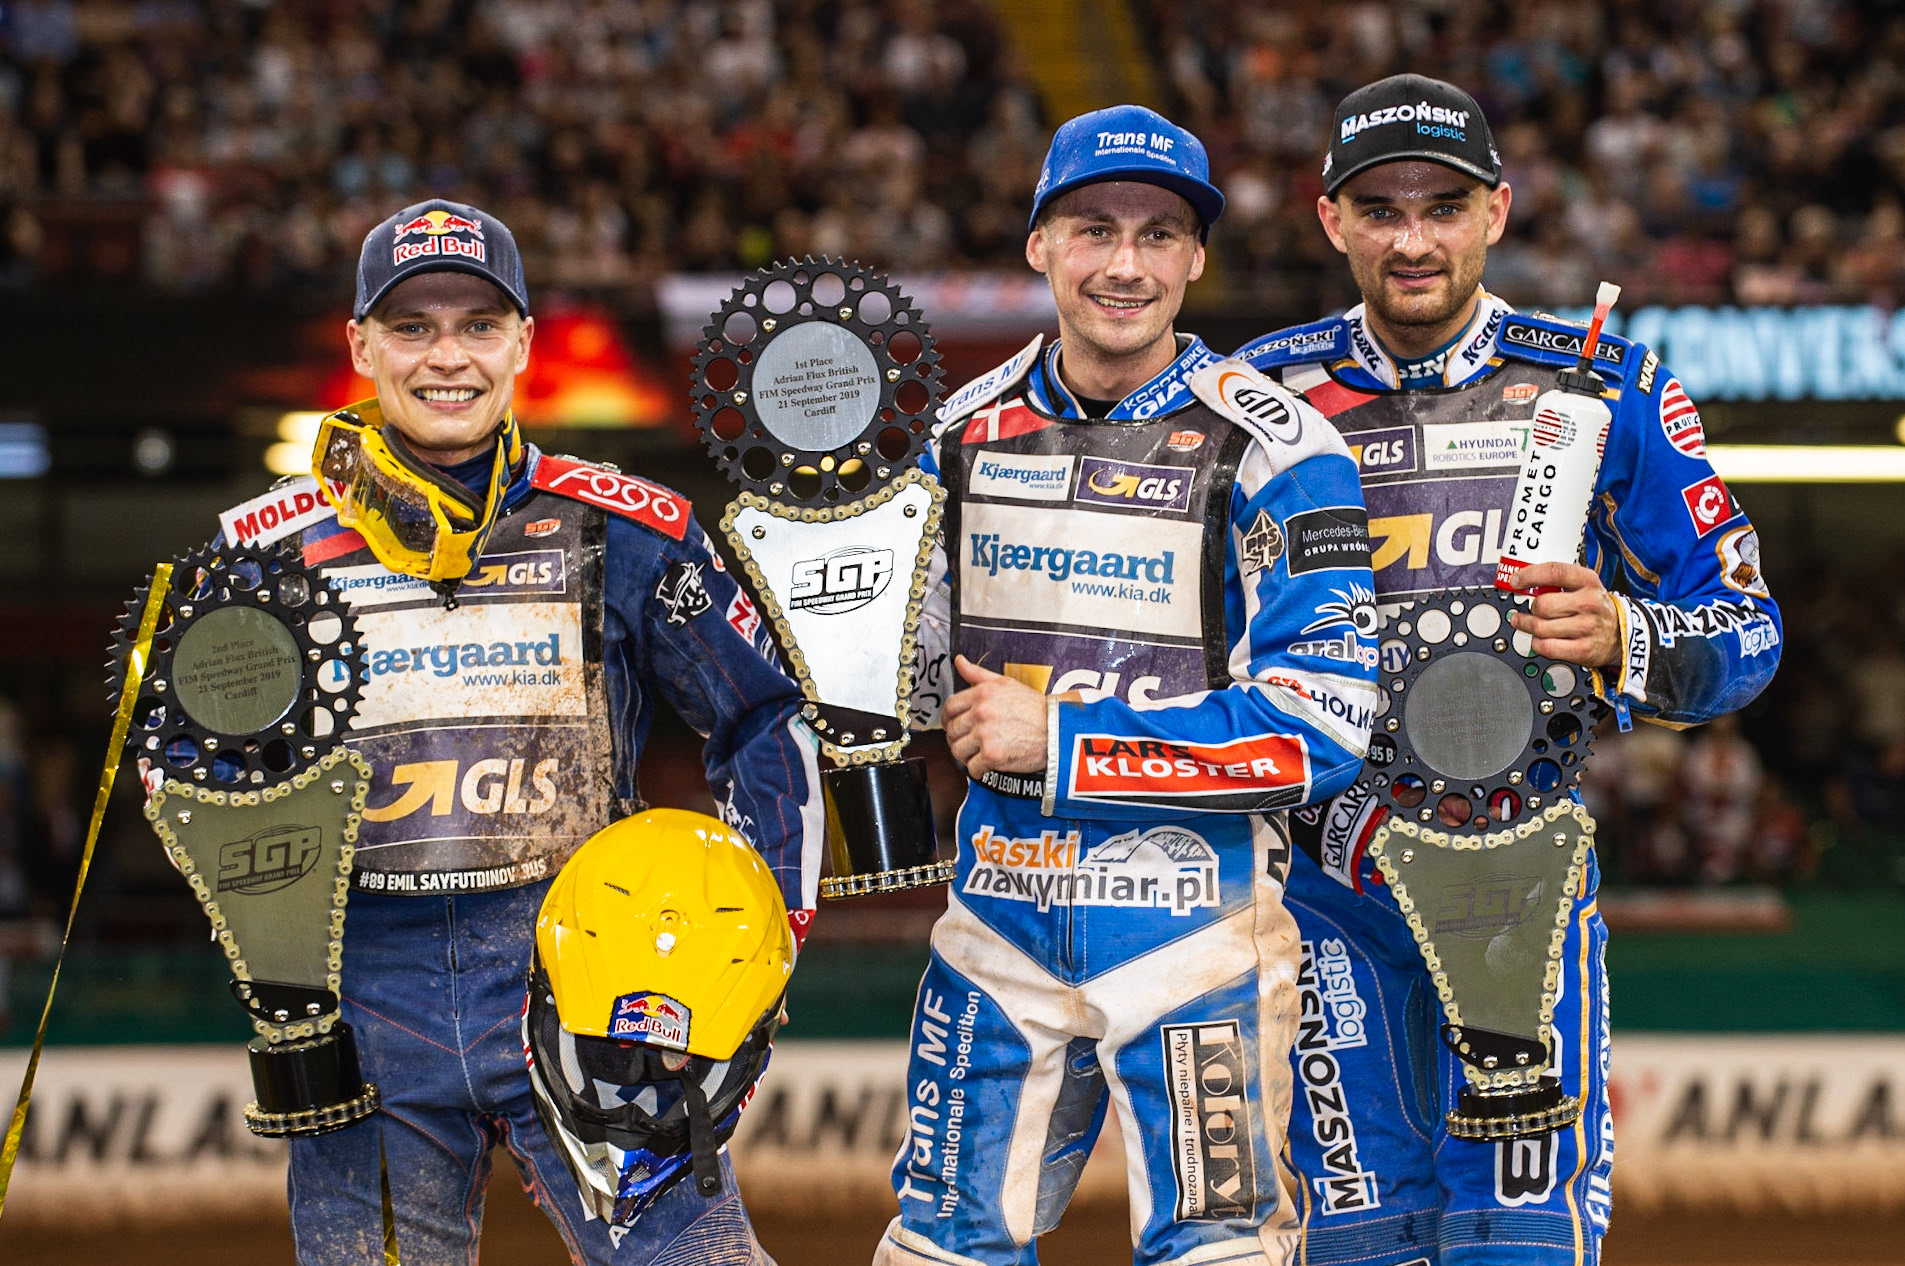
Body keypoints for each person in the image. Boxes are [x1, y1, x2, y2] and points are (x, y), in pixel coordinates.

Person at [209, 199, 823, 1265]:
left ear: (524, 343)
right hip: (365, 1009)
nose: (447, 356)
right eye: (412, 328)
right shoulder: (263, 558)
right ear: (361, 346)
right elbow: (206, 784)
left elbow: (768, 717)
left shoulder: (628, 529)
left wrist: (754, 952)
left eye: (477, 325)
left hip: (591, 982)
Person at [1238, 75, 1783, 1266]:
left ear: (1499, 208)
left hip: (1522, 879)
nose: (1413, 238)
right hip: (1323, 884)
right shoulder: (1253, 398)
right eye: (1380, 209)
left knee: (1519, 1238)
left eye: (1444, 204)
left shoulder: (1607, 384)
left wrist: (1627, 638)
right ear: (1330, 220)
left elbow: (1748, 630)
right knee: (1356, 1240)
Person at [877, 105, 1379, 1266]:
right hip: (996, 920)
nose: (1125, 264)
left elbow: (1327, 726)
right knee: (939, 1246)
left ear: (1197, 256)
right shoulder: (956, 436)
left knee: (1220, 1251)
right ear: (1039, 243)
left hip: (1194, 937)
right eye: (1093, 228)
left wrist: (1061, 741)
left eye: (1159, 235)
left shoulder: (1278, 448)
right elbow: (903, 689)